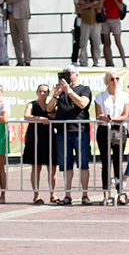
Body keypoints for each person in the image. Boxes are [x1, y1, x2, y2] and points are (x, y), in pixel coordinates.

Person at [46, 66, 92, 205]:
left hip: (79, 130)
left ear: (76, 75)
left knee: (83, 163)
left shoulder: (84, 89)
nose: (66, 77)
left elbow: (83, 104)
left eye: (69, 74)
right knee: (66, 165)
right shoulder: (61, 92)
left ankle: (85, 194)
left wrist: (69, 91)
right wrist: (55, 95)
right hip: (62, 132)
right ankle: (67, 194)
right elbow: (48, 109)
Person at [94, 71, 129, 205]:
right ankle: (106, 192)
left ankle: (120, 192)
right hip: (104, 129)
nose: (114, 81)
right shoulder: (100, 97)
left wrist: (111, 119)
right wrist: (105, 119)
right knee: (105, 162)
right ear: (107, 81)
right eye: (111, 79)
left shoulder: (124, 96)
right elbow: (99, 115)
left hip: (118, 128)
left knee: (118, 161)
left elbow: (125, 115)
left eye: (116, 78)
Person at [23, 84, 58, 205]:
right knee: (36, 167)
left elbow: (57, 115)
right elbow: (27, 116)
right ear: (37, 92)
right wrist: (39, 119)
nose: (42, 94)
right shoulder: (32, 104)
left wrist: (54, 116)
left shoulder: (51, 105)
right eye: (40, 91)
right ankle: (36, 194)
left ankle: (52, 194)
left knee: (52, 168)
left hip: (49, 137)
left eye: (44, 92)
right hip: (35, 137)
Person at [3, 0, 32, 66]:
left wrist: (9, 0)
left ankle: (27, 59)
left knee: (24, 38)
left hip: (21, 15)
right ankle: (19, 60)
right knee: (15, 39)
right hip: (12, 15)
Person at [77, 0, 102, 67]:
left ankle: (97, 60)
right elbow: (81, 5)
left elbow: (100, 5)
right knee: (83, 42)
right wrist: (92, 4)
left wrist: (88, 5)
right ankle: (83, 61)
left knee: (97, 42)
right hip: (86, 20)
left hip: (96, 21)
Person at [101, 0, 125, 68]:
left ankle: (123, 61)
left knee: (118, 41)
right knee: (106, 42)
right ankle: (109, 62)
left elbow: (121, 7)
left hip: (115, 20)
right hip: (106, 20)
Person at [71, 0, 85, 65]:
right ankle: (74, 59)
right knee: (77, 40)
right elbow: (78, 10)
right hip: (79, 21)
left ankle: (83, 58)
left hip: (86, 21)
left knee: (85, 41)